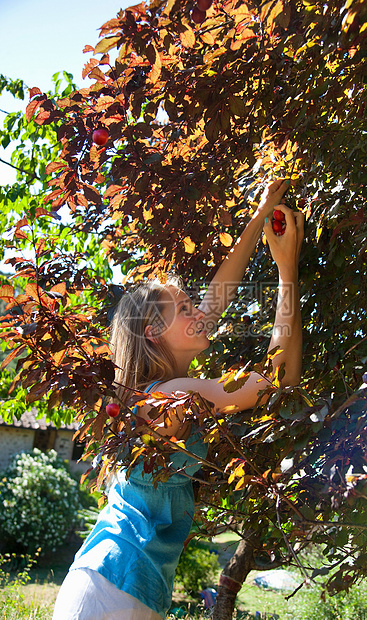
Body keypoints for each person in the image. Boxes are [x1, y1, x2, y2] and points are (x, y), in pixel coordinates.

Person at [52, 179, 304, 620]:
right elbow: (274, 383)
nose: (201, 314)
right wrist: (287, 272)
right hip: (113, 588)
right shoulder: (170, 397)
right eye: (185, 309)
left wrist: (260, 215)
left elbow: (218, 296)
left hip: (121, 587)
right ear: (153, 333)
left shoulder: (162, 393)